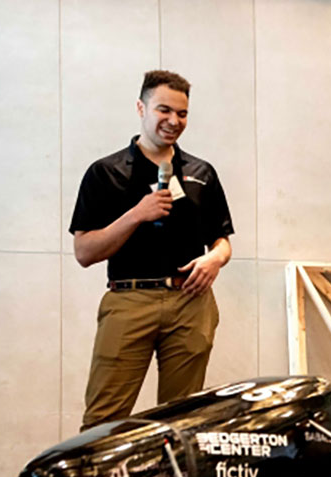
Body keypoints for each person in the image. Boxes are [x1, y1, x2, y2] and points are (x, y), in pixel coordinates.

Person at [70, 69, 233, 431]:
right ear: (141, 108)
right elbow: (84, 251)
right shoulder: (105, 173)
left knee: (183, 419)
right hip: (129, 301)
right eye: (164, 110)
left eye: (183, 114)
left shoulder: (201, 172)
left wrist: (215, 259)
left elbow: (222, 241)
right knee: (104, 419)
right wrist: (135, 215)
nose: (174, 121)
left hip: (191, 300)